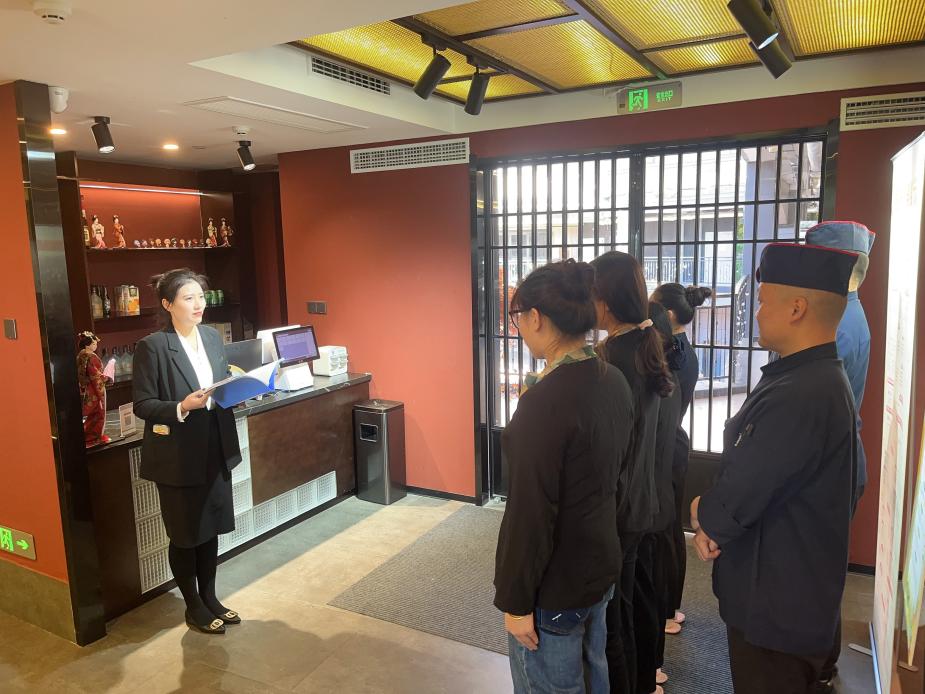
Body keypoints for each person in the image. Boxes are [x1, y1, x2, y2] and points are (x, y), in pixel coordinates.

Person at [690, 243, 859, 694]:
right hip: (788, 593)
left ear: (797, 308)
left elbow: (749, 484)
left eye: (763, 302)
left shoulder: (804, 391)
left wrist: (703, 514)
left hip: (778, 607)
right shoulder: (810, 376)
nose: (757, 314)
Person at [494, 259, 634, 694]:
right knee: (595, 674)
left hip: (554, 583)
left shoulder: (544, 402)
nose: (518, 326)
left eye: (518, 316)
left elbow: (530, 512)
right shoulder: (613, 380)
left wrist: (516, 601)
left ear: (536, 317)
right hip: (599, 563)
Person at [133, 268, 243, 635]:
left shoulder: (211, 336)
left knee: (210, 529)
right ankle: (193, 606)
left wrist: (238, 389)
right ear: (168, 304)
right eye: (189, 298)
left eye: (201, 297)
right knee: (185, 533)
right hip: (177, 456)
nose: (198, 304)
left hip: (216, 446)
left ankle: (210, 597)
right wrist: (182, 406)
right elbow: (143, 404)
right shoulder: (153, 346)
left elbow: (220, 384)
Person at [590, 251, 674, 694]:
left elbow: (608, 447)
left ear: (605, 301)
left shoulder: (612, 360)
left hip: (620, 507)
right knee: (637, 597)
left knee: (614, 617)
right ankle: (646, 678)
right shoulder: (645, 341)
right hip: (644, 499)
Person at [804, 220, 875, 693]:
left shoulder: (836, 328)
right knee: (824, 566)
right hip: (841, 456)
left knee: (814, 570)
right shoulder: (853, 312)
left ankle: (815, 664)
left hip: (827, 463)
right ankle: (822, 661)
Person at [648, 283, 712, 635]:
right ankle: (670, 607)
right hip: (674, 445)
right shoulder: (684, 350)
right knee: (670, 531)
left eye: (653, 306)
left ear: (668, 314)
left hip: (666, 449)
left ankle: (665, 610)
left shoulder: (672, 356)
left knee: (664, 533)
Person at [646, 302, 683, 689]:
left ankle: (649, 669)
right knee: (650, 585)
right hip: (657, 498)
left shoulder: (653, 384)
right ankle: (652, 666)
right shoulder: (666, 378)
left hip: (647, 504)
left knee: (645, 590)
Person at [77, 330, 111, 446]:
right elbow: (95, 375)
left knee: (93, 413)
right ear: (87, 345)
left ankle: (90, 435)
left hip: (87, 387)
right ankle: (94, 437)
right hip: (94, 388)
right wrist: (106, 378)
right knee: (99, 412)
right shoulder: (91, 357)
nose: (95, 345)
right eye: (93, 344)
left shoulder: (81, 355)